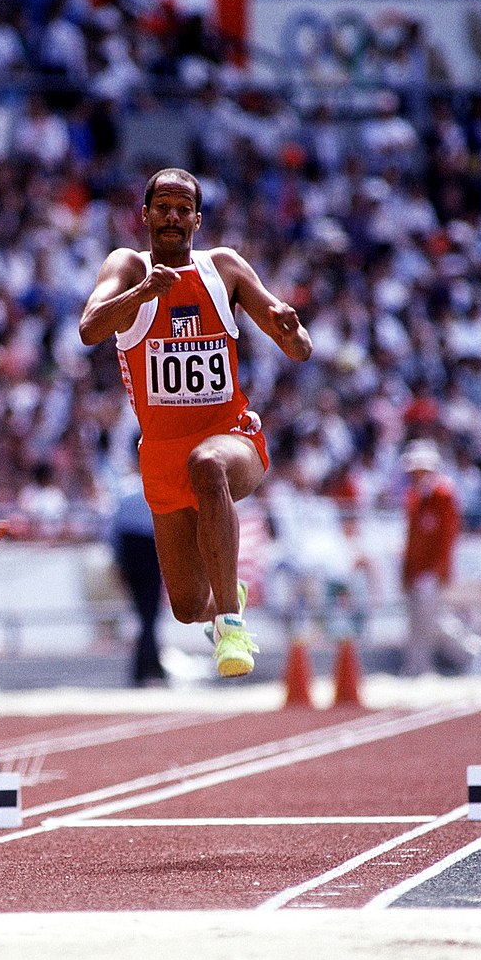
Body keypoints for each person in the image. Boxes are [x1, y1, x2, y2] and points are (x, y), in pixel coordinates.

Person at [79, 167, 312, 677]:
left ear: (197, 220)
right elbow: (89, 329)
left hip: (232, 439)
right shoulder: (126, 267)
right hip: (162, 457)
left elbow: (299, 348)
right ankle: (227, 598)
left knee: (207, 463)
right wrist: (141, 295)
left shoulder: (223, 268)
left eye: (183, 208)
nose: (172, 216)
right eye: (162, 207)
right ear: (144, 216)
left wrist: (292, 332)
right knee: (186, 607)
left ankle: (230, 624)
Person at [399, 439, 481, 677]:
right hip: (418, 570)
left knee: (434, 620)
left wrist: (440, 568)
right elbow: (412, 538)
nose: (415, 474)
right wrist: (407, 571)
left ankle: (472, 650)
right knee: (419, 620)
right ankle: (417, 667)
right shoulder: (416, 497)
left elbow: (448, 535)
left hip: (431, 570)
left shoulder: (443, 494)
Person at [110, 457, 167, 687]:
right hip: (150, 551)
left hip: (132, 552)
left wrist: (119, 562)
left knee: (145, 614)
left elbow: (113, 531)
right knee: (149, 614)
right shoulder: (158, 486)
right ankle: (148, 667)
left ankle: (148, 666)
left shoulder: (124, 489)